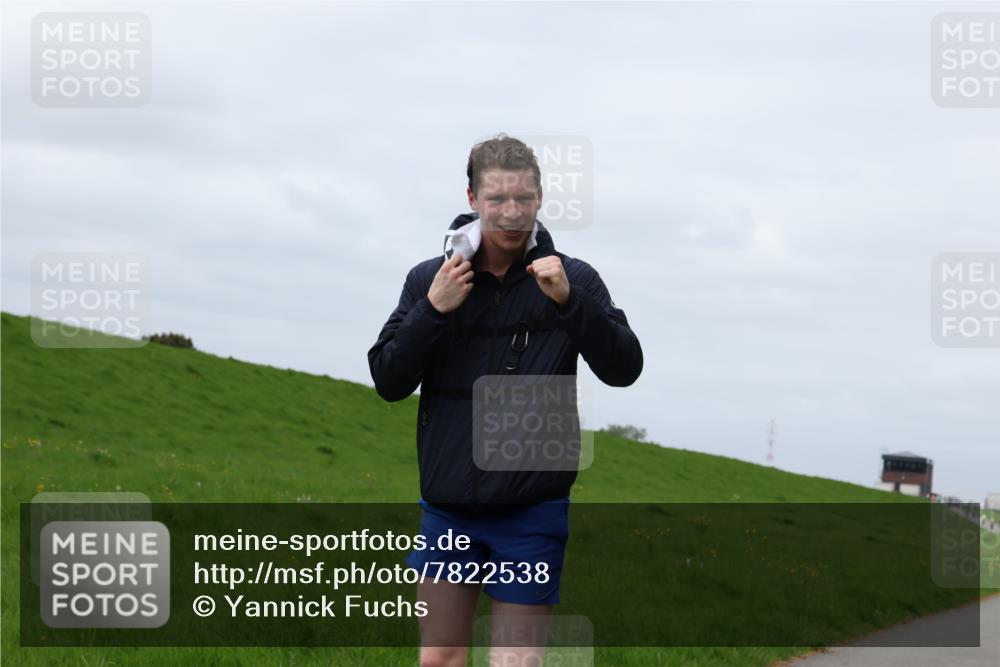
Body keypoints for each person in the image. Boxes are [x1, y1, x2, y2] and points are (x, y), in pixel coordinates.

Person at [368, 134, 642, 666]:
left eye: (523, 199)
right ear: (472, 199)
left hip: (531, 510)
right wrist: (434, 309)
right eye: (497, 200)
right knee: (439, 658)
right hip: (447, 509)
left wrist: (569, 303)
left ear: (540, 200)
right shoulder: (430, 279)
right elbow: (389, 378)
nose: (511, 213)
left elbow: (624, 367)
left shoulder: (573, 278)